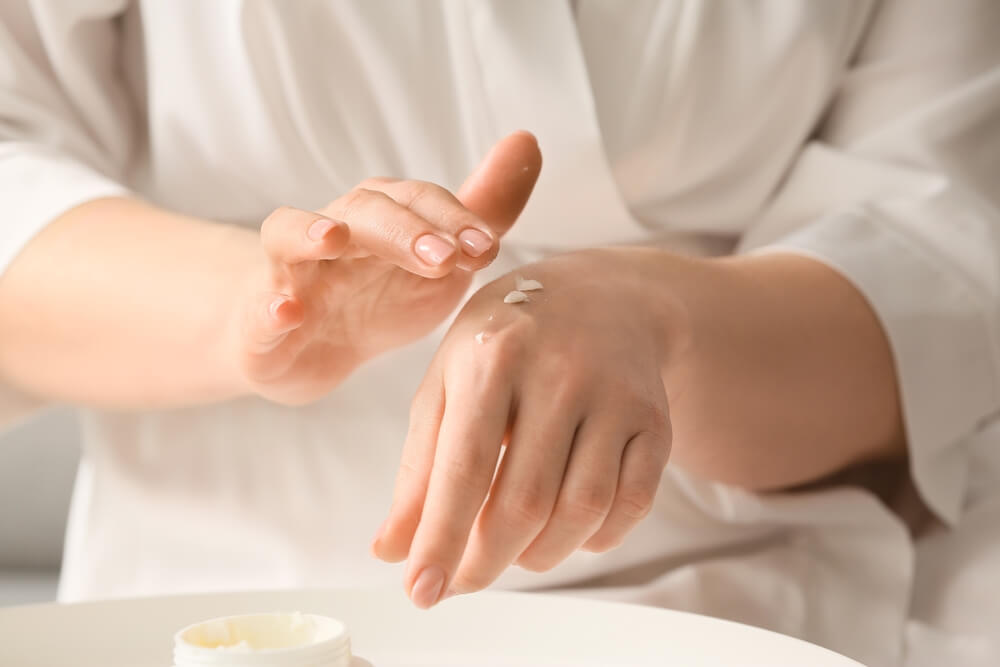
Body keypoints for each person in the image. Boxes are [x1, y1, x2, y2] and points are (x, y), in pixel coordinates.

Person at [1, 1, 998, 665]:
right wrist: (258, 308)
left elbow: (937, 264)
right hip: (205, 602)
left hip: (741, 607)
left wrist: (655, 326)